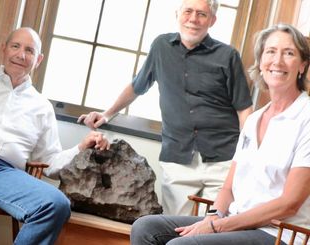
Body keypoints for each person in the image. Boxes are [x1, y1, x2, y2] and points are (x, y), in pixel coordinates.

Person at [130, 23, 310, 245]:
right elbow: (228, 187)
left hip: (278, 233)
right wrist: (214, 216)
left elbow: (289, 204)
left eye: (289, 53)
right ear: (261, 63)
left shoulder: (306, 119)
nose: (277, 61)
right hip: (235, 222)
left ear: (302, 65)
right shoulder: (254, 120)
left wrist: (216, 226)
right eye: (270, 51)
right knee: (146, 227)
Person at [78, 0, 253, 216]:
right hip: (178, 157)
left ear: (212, 21)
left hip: (223, 157)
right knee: (173, 225)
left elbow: (244, 108)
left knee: (212, 229)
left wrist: (248, 153)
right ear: (177, 14)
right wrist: (106, 114)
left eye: (202, 14)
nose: (193, 19)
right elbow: (137, 86)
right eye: (188, 11)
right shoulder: (161, 46)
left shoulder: (228, 56)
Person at [0, 27, 110, 245]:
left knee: (56, 204)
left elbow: (51, 163)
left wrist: (81, 147)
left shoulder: (41, 107)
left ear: (38, 60)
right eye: (15, 46)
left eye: (29, 50)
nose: (21, 55)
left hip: (2, 173)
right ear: (3, 49)